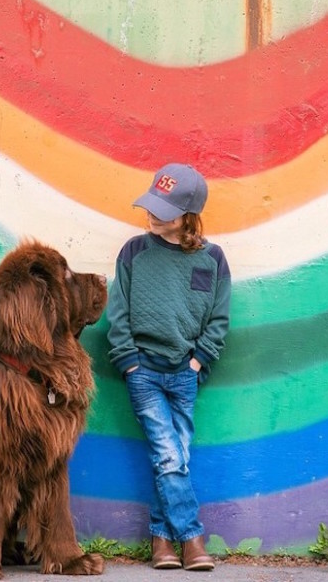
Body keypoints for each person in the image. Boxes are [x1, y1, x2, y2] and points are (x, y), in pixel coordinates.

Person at [106, 163, 231, 571]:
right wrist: (129, 363)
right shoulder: (135, 252)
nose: (152, 216)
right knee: (169, 454)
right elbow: (118, 310)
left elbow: (218, 318)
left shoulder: (212, 259)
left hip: (185, 373)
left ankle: (161, 540)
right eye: (151, 206)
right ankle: (192, 539)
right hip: (143, 372)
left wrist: (198, 360)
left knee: (176, 458)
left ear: (188, 215)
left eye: (164, 211)